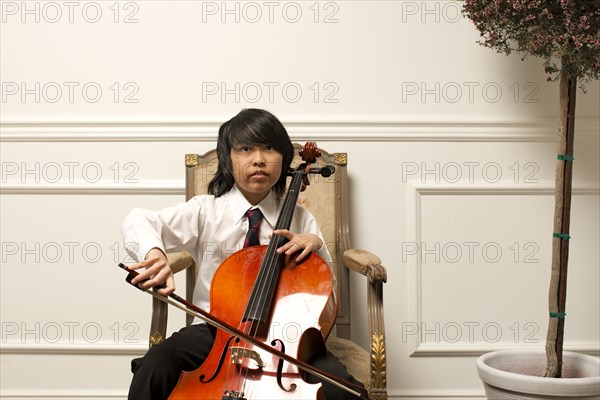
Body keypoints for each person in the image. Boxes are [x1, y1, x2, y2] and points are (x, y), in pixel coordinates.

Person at [121, 108, 365, 399]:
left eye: (270, 148)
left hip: (287, 337)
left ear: (285, 160)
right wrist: (154, 252)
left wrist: (317, 248)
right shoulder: (205, 210)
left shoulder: (301, 220)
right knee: (155, 367)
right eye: (245, 149)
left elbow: (325, 296)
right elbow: (138, 219)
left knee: (344, 391)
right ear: (229, 159)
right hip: (214, 332)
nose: (259, 159)